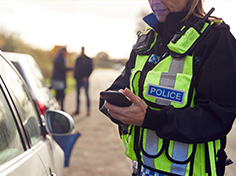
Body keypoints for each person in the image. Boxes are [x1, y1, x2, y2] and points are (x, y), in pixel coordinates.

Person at [99, 0, 236, 175]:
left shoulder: (217, 39)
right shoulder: (146, 39)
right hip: (141, 170)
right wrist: (115, 106)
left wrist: (151, 118)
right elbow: (119, 87)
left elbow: (217, 118)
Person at [73, 46, 93, 116]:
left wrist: (86, 77)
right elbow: (76, 68)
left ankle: (88, 110)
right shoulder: (78, 59)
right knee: (77, 95)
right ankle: (77, 110)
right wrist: (75, 76)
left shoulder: (88, 59)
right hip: (78, 79)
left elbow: (91, 69)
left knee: (86, 95)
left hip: (85, 80)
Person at [51, 47, 72, 111]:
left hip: (57, 80)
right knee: (61, 95)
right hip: (59, 80)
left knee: (58, 95)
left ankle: (57, 108)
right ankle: (60, 109)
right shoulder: (60, 58)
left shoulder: (58, 57)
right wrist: (70, 68)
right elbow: (62, 69)